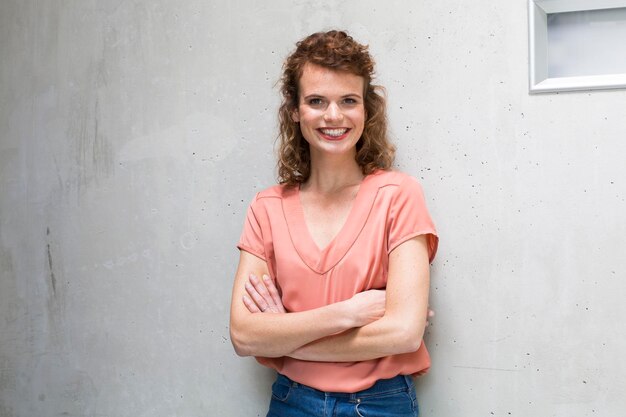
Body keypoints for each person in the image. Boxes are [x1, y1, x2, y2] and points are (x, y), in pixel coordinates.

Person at [229, 30, 438, 417]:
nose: (334, 116)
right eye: (316, 101)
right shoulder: (266, 208)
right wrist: (349, 314)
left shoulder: (398, 195)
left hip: (380, 405)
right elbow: (243, 335)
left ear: (366, 109)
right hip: (291, 401)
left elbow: (404, 334)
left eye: (348, 101)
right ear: (294, 110)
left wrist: (284, 337)